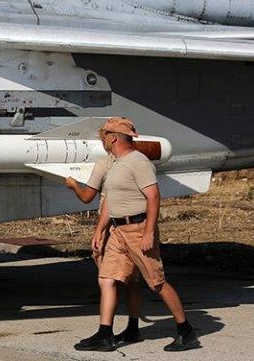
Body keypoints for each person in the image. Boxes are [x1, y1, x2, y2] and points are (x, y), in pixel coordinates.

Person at [89, 117, 199, 352]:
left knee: (156, 283)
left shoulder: (138, 162)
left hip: (138, 229)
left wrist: (149, 232)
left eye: (104, 135)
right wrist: (99, 230)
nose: (102, 140)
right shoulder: (116, 163)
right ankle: (104, 334)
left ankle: (186, 332)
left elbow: (153, 197)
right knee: (107, 279)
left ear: (113, 137)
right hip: (118, 231)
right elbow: (110, 200)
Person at [65, 144, 142, 351]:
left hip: (113, 229)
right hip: (136, 227)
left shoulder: (105, 164)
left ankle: (105, 333)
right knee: (132, 281)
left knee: (107, 280)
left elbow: (88, 197)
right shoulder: (138, 162)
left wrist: (73, 185)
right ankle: (133, 328)